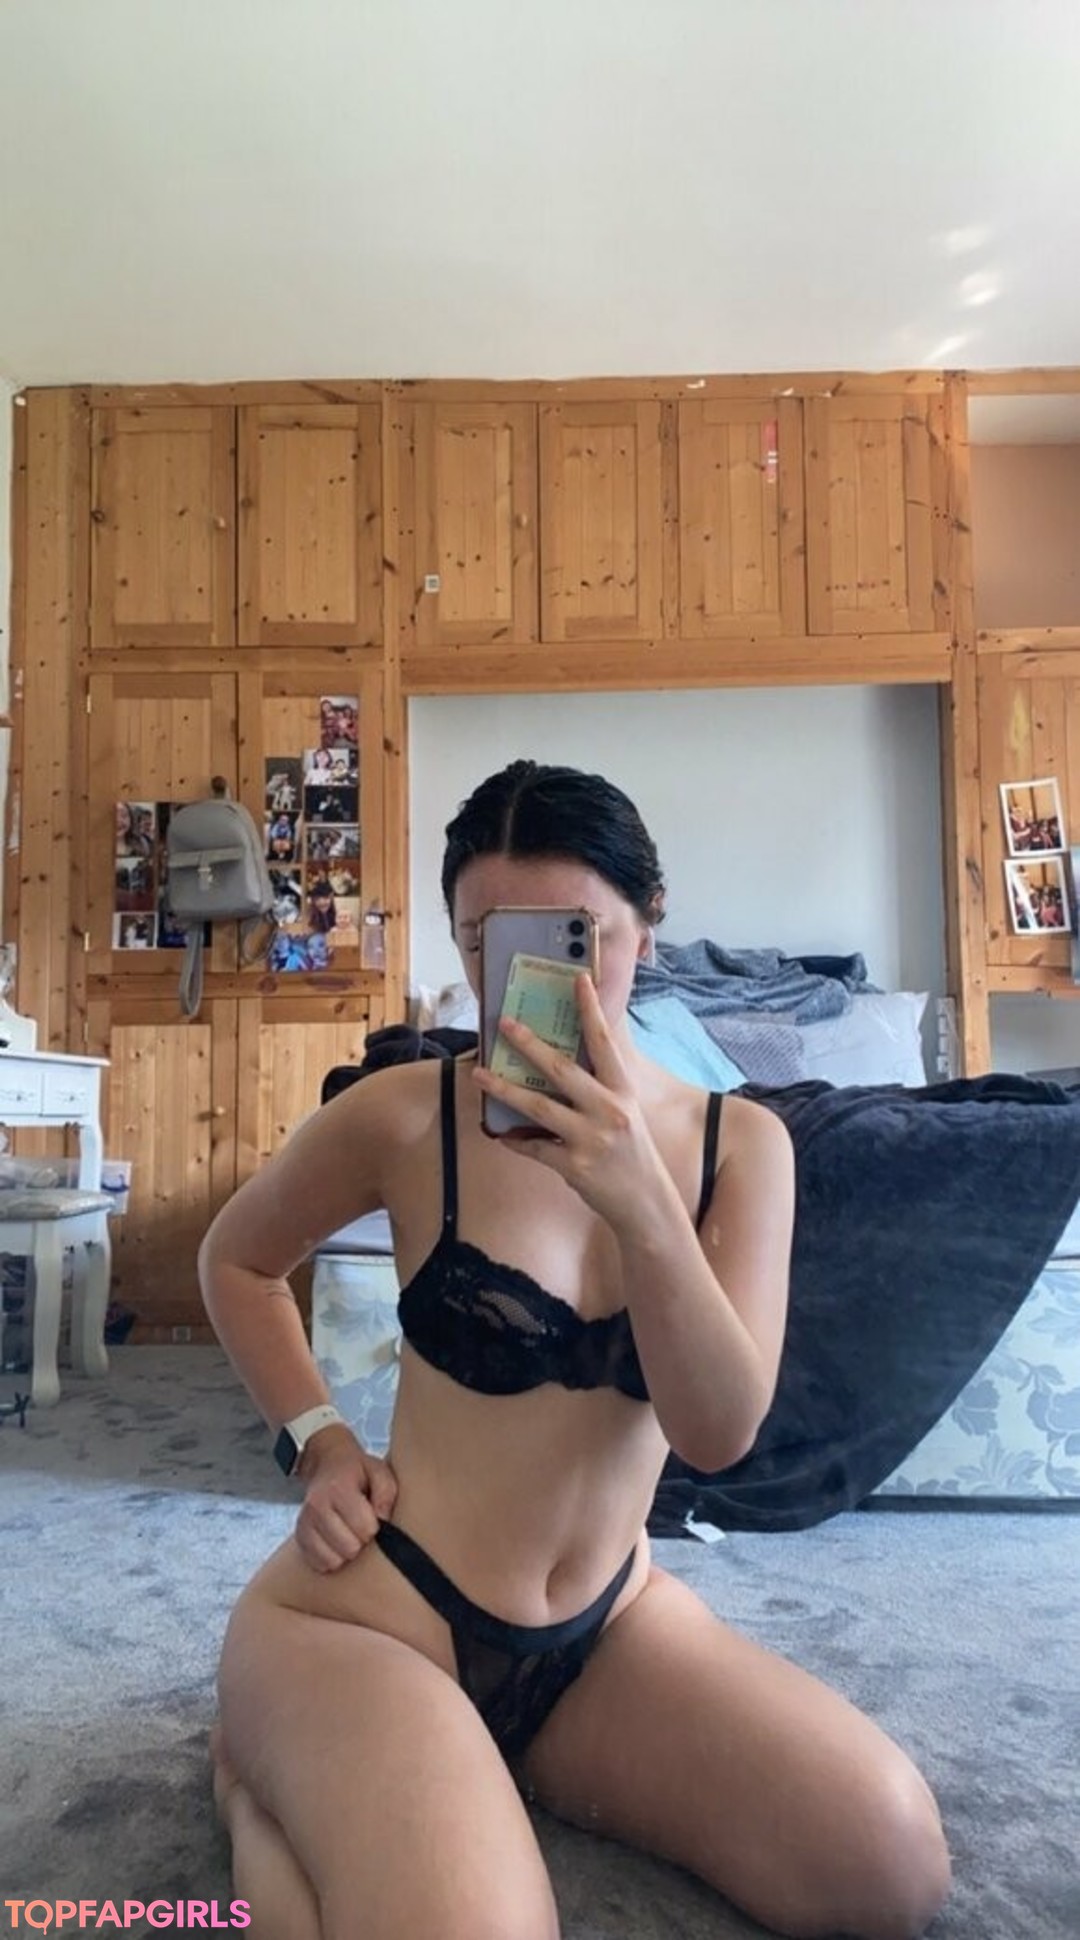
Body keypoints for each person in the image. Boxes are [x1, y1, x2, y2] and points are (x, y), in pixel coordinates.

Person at [200, 760, 950, 1940]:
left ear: (648, 926)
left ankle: (472, 1778)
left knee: (890, 1862)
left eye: (573, 941)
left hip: (606, 1631)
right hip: (374, 1619)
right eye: (491, 945)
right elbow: (235, 1260)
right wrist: (321, 1440)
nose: (534, 988)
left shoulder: (743, 1146)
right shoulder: (407, 1114)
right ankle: (254, 1786)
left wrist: (643, 1203)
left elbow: (717, 1430)